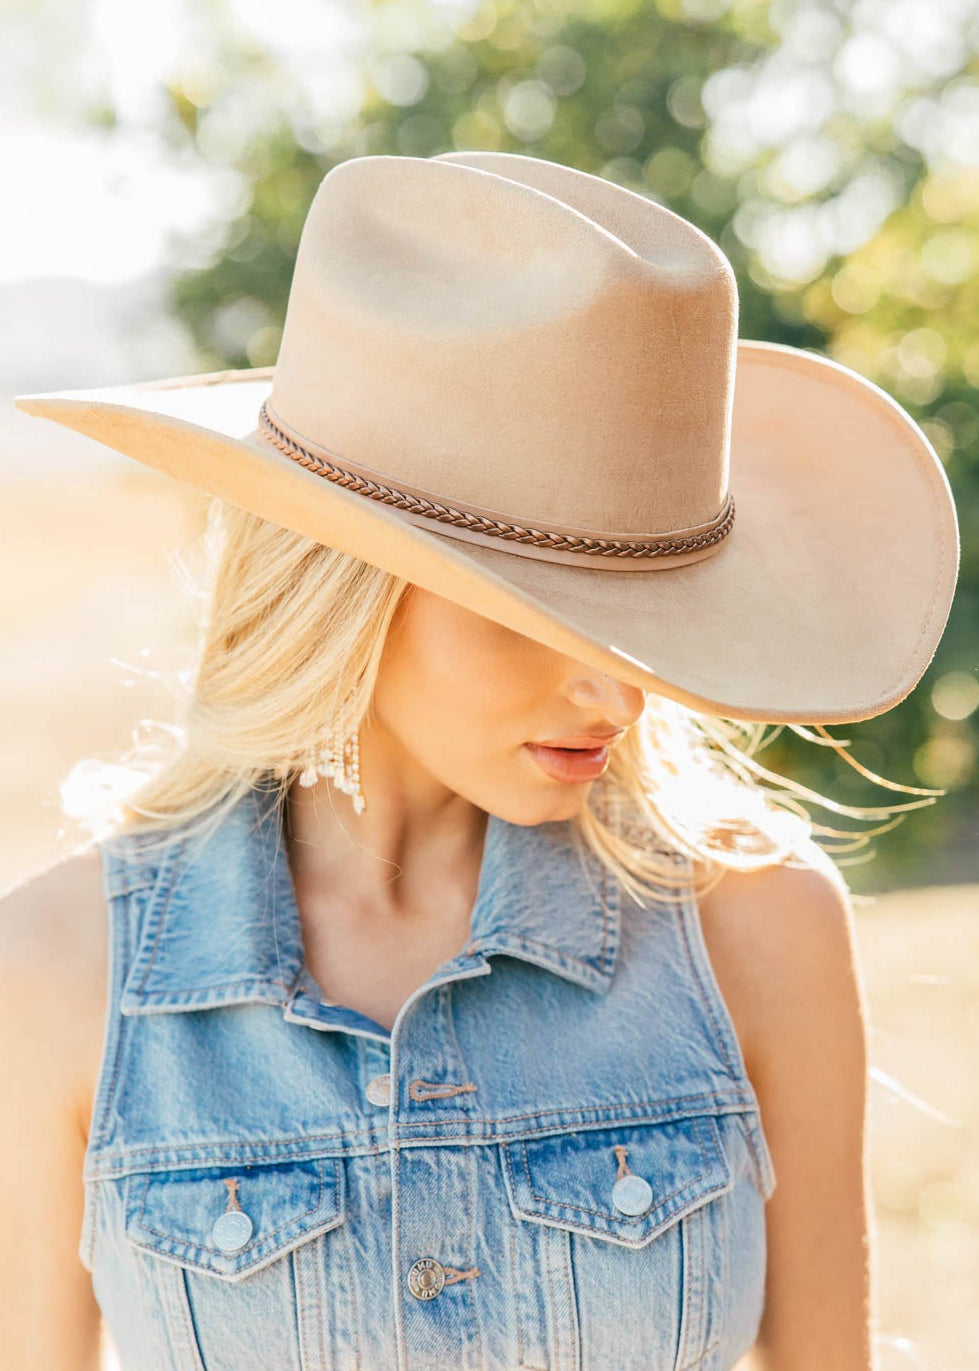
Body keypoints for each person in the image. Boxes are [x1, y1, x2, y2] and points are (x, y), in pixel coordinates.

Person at [1, 151, 958, 1371]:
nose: (617, 688)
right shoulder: (61, 968)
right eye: (543, 611)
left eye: (648, 615)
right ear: (344, 584)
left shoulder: (758, 930)